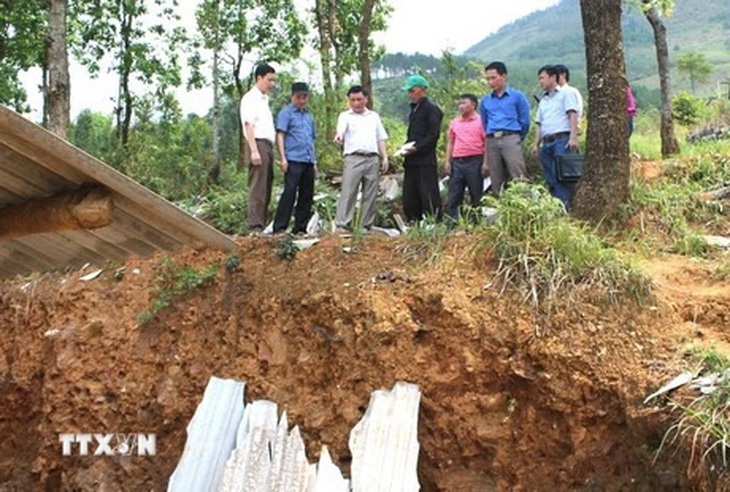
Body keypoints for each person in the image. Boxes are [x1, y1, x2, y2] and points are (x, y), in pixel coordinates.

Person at [334, 85, 389, 232]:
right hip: (353, 158)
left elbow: (381, 138)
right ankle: (342, 224)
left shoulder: (374, 117)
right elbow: (341, 130)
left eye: (359, 99)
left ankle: (365, 226)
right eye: (352, 100)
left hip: (372, 158)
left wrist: (384, 157)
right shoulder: (345, 116)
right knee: (348, 191)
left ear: (366, 99)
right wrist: (339, 136)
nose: (356, 103)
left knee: (370, 193)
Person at [532, 65, 580, 208]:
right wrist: (536, 144)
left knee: (563, 176)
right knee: (550, 178)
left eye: (542, 78)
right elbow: (539, 124)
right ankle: (556, 207)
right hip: (547, 142)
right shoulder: (544, 100)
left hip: (562, 139)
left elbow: (573, 115)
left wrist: (573, 137)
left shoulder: (566, 93)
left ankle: (566, 207)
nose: (540, 82)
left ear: (553, 77)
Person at [480, 61, 531, 196]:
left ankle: (524, 206)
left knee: (517, 173)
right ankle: (501, 206)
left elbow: (525, 121)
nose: (491, 82)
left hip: (511, 137)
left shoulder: (517, 96)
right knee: (496, 176)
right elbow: (484, 123)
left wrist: (516, 137)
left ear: (504, 76)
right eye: (488, 79)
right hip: (491, 139)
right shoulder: (485, 101)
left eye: (493, 78)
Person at [272, 82, 316, 235]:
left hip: (308, 160)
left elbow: (311, 139)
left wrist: (314, 161)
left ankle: (300, 227)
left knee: (307, 194)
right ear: (293, 96)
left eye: (304, 97)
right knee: (289, 192)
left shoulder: (309, 116)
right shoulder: (286, 113)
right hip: (293, 159)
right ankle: (279, 227)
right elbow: (280, 135)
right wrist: (283, 158)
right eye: (299, 97)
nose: (302, 100)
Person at [240, 63, 277, 233]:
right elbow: (248, 125)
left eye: (273, 80)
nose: (272, 84)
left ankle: (261, 223)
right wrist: (254, 150)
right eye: (269, 80)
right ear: (259, 78)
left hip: (268, 144)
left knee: (267, 184)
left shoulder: (264, 100)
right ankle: (255, 225)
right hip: (257, 143)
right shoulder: (250, 98)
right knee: (258, 185)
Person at [402, 74, 443, 222]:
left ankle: (435, 225)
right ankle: (414, 224)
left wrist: (417, 148)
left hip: (425, 161)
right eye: (409, 91)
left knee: (428, 195)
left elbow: (433, 135)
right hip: (411, 160)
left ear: (422, 89)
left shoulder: (432, 110)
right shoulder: (414, 110)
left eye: (412, 91)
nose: (410, 94)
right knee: (410, 197)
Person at [445, 93, 487, 224]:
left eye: (464, 103)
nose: (460, 106)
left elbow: (487, 143)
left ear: (473, 105)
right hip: (457, 162)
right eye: (459, 104)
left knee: (476, 195)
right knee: (454, 195)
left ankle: (477, 224)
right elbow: (450, 142)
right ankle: (453, 224)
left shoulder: (481, 121)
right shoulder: (455, 122)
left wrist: (486, 163)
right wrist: (447, 161)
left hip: (475, 161)